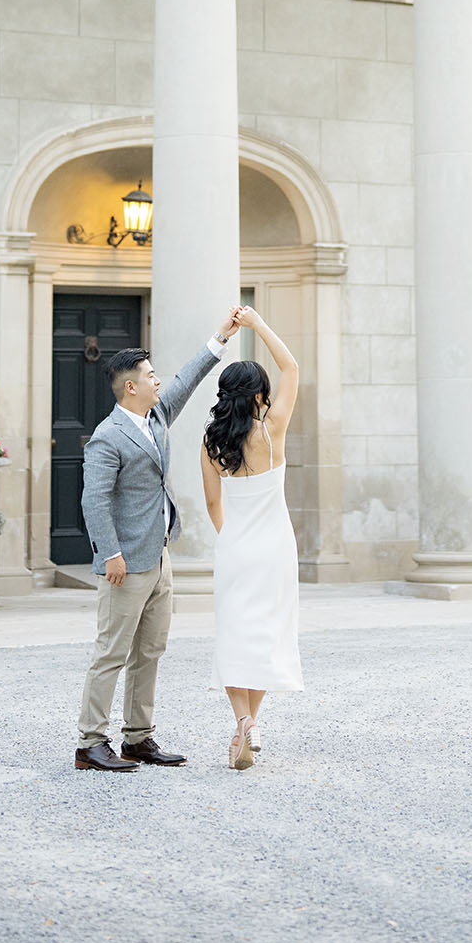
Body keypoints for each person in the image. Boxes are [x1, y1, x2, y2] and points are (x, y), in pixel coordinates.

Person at [75, 316, 240, 772]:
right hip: (124, 563)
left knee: (150, 651)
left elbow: (187, 380)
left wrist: (219, 339)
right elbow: (94, 499)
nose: (158, 380)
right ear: (131, 387)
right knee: (111, 652)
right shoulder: (108, 437)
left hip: (160, 556)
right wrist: (109, 553)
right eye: (150, 375)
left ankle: (137, 738)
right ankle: (90, 743)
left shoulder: (157, 415)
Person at [201, 304, 302, 770]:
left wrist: (231, 538)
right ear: (261, 394)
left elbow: (213, 505)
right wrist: (258, 324)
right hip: (276, 547)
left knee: (234, 635)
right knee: (265, 635)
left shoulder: (210, 441)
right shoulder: (272, 428)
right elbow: (292, 367)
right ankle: (251, 723)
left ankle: (243, 722)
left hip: (236, 547)